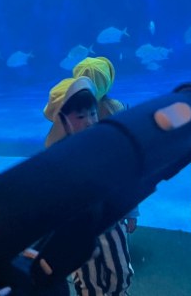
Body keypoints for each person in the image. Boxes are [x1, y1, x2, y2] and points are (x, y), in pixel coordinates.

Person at [49, 76, 134, 296]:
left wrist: (131, 211)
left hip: (112, 224)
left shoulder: (104, 146)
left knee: (121, 271)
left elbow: (124, 180)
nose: (90, 121)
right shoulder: (56, 158)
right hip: (79, 232)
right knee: (88, 279)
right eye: (80, 116)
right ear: (61, 120)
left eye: (93, 113)